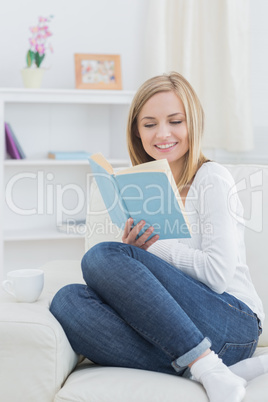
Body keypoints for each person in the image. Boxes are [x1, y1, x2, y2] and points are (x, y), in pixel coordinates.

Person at [50, 72, 266, 402]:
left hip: (233, 321)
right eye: (149, 124)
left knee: (100, 256)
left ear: (192, 124)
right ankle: (216, 370)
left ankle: (206, 365)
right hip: (179, 327)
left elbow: (218, 276)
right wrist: (137, 255)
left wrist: (153, 249)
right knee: (68, 301)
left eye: (175, 121)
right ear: (137, 131)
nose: (162, 133)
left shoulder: (212, 179)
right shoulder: (145, 188)